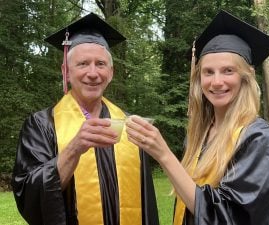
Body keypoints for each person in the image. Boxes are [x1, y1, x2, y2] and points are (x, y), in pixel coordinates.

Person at [126, 10, 269, 225]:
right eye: (208, 72)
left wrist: (163, 154)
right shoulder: (200, 134)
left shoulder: (260, 139)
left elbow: (227, 217)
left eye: (228, 71)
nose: (216, 82)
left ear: (246, 77)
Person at [11, 13, 159, 225]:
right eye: (82, 64)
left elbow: (146, 201)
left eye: (100, 64)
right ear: (66, 72)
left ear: (111, 72)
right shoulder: (42, 125)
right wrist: (74, 149)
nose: (92, 73)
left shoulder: (129, 124)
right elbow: (28, 196)